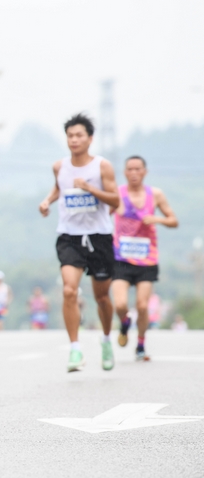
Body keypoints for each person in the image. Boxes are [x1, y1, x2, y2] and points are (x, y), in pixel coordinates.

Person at [39, 113, 119, 372]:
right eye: (70, 136)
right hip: (70, 236)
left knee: (102, 297)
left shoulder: (102, 167)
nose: (74, 140)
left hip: (99, 236)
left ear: (90, 138)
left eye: (79, 135)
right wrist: (47, 201)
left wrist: (90, 188)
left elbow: (116, 200)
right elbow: (59, 187)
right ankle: (75, 349)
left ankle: (106, 340)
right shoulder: (59, 166)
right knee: (69, 290)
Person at [111, 155, 178, 361]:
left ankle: (140, 344)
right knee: (120, 304)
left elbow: (173, 220)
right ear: (124, 172)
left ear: (145, 172)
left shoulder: (155, 194)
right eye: (130, 169)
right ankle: (125, 322)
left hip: (147, 259)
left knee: (142, 305)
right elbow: (103, 214)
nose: (134, 173)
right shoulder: (117, 194)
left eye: (138, 169)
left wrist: (156, 219)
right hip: (121, 258)